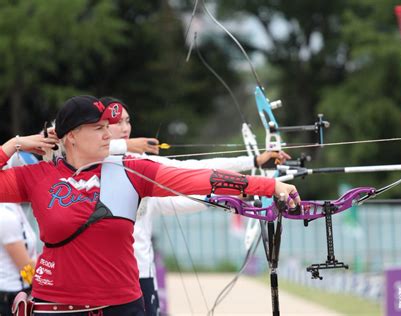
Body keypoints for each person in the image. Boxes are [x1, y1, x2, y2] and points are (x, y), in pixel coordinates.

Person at [0, 95, 300, 315]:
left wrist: (269, 185)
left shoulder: (132, 170)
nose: (109, 134)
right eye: (98, 128)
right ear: (72, 136)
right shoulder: (36, 176)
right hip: (55, 306)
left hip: (120, 306)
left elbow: (200, 178)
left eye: (109, 126)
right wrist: (14, 144)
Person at [100, 97, 290, 316]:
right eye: (116, 123)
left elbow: (192, 174)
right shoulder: (87, 164)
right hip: (104, 278)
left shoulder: (139, 163)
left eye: (127, 121)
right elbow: (62, 141)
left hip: (141, 274)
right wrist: (124, 145)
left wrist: (248, 170)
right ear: (100, 128)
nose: (125, 128)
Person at [0, 153, 38, 316]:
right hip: (10, 297)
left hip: (19, 291)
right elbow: (24, 267)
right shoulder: (6, 214)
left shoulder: (16, 207)